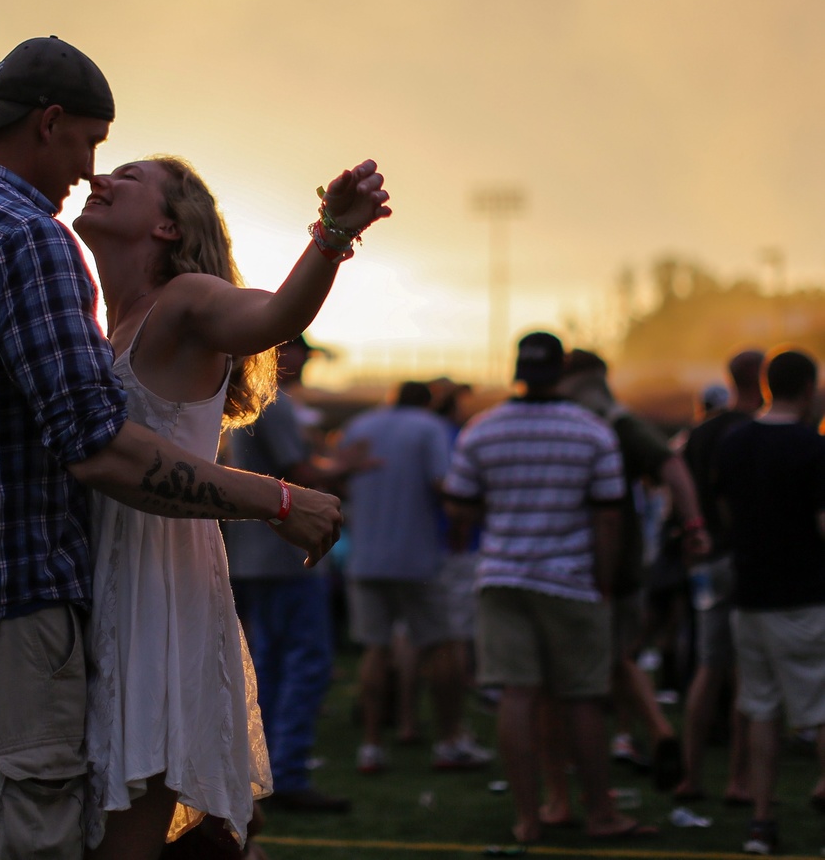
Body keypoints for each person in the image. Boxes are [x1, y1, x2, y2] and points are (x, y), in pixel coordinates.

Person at [0, 36, 346, 860]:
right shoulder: (28, 237)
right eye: (91, 145)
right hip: (6, 614)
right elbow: (97, 449)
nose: (89, 171)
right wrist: (278, 499)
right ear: (51, 123)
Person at [73, 154, 388, 857]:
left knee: (123, 834)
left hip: (158, 590)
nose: (99, 179)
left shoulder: (187, 297)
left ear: (166, 224)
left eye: (125, 176)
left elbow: (277, 312)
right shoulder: (102, 326)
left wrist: (331, 234)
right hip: (101, 578)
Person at [443, 331, 654, 845]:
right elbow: (608, 520)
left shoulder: (481, 430)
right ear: (561, 371)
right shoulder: (592, 432)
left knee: (518, 694)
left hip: (501, 578)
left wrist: (474, 536)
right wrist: (603, 580)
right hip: (571, 580)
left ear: (517, 369)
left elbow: (460, 509)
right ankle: (601, 813)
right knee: (582, 696)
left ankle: (529, 817)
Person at [223, 335, 366, 815]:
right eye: (301, 352)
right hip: (284, 556)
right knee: (305, 661)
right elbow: (299, 474)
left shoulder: (235, 404)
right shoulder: (274, 404)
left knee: (263, 665)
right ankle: (286, 772)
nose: (306, 363)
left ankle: (257, 773)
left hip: (248, 553)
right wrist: (345, 465)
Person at [556, 349, 707, 795]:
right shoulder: (614, 423)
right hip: (615, 562)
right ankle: (642, 733)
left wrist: (692, 524)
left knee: (583, 668)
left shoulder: (605, 424)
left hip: (584, 564)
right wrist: (692, 525)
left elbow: (672, 466)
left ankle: (615, 745)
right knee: (617, 656)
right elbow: (671, 469)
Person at [341, 380, 491, 775]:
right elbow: (444, 484)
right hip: (418, 558)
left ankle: (371, 746)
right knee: (440, 647)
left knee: (376, 649)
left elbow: (342, 481)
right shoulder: (430, 428)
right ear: (429, 402)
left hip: (367, 556)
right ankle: (449, 740)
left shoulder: (360, 425)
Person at [712, 348, 825, 856]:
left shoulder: (735, 441)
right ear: (807, 387)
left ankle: (761, 821)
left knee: (761, 710)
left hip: (749, 594)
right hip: (802, 594)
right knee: (820, 709)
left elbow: (726, 511)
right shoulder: (813, 447)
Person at [673, 348, 764, 805]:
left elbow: (680, 493)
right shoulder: (757, 431)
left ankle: (690, 776)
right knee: (747, 674)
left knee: (709, 669)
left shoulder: (701, 431)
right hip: (747, 560)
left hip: (706, 561)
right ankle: (739, 779)